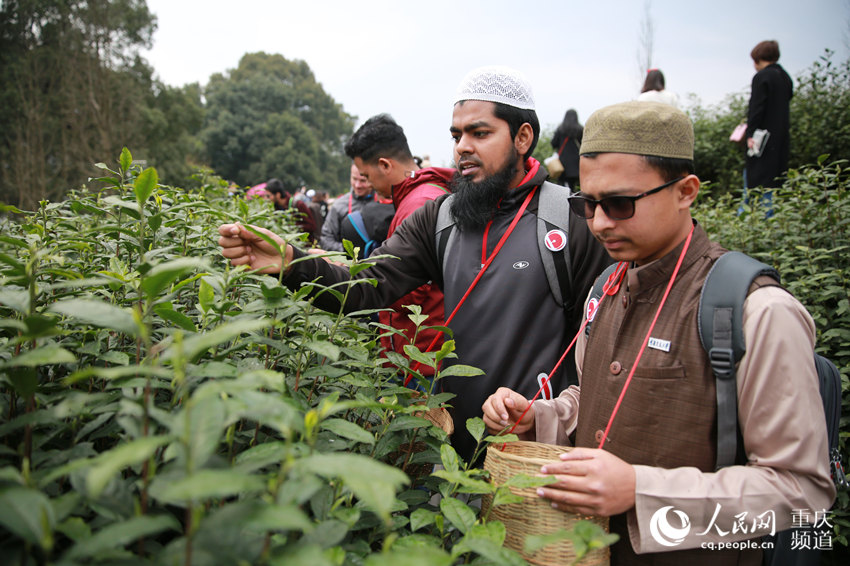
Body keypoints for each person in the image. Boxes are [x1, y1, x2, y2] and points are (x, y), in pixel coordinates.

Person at [481, 101, 835, 564]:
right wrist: (540, 417)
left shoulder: (757, 312)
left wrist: (641, 491)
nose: (600, 223)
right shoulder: (605, 288)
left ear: (686, 191)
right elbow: (590, 398)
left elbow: (802, 493)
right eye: (587, 204)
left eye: (621, 204)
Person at [218, 66, 612, 462]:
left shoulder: (571, 218)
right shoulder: (440, 219)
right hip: (452, 452)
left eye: (480, 133)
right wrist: (291, 262)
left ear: (523, 137)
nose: (462, 147)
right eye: (456, 136)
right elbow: (368, 288)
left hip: (534, 453)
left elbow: (604, 341)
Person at [343, 113, 454, 380]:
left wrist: (345, 275)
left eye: (368, 176)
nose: (368, 186)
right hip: (421, 355)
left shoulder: (418, 203)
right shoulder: (424, 194)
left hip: (420, 361)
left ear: (384, 164)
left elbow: (402, 290)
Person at [745, 40, 793, 190]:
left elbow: (756, 109)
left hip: (761, 139)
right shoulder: (785, 77)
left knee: (755, 182)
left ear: (757, 59)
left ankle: (752, 212)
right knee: (775, 181)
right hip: (780, 138)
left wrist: (750, 134)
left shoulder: (762, 77)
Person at [319, 164, 376, 252]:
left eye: (363, 180)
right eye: (354, 179)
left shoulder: (383, 202)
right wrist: (349, 251)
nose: (357, 185)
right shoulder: (339, 205)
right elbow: (326, 239)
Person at [550, 109, 583, 189]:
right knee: (575, 186)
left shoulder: (561, 129)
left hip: (563, 162)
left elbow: (553, 143)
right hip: (576, 163)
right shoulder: (580, 129)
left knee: (562, 187)